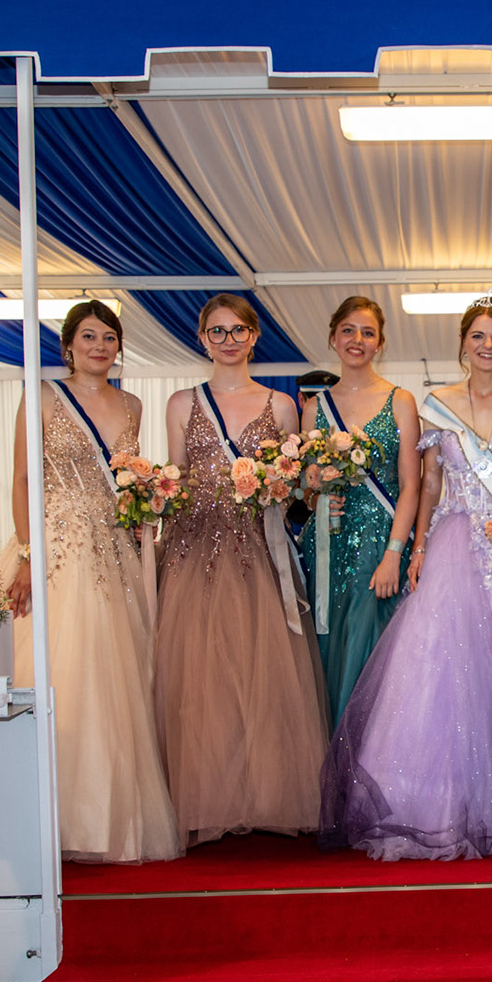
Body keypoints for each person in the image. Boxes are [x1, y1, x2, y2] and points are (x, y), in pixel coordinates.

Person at [320, 298, 492, 860]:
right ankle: (437, 803)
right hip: (453, 546)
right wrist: (418, 548)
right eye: (478, 336)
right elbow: (430, 485)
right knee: (444, 676)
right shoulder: (437, 403)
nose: (488, 346)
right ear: (463, 342)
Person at [2, 302, 180, 864]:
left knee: (115, 679)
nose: (99, 346)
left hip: (116, 549)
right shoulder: (42, 396)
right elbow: (23, 479)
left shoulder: (133, 405)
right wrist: (27, 554)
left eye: (108, 337)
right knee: (62, 672)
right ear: (68, 346)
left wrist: (147, 503)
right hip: (56, 546)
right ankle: (47, 818)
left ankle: (105, 820)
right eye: (88, 336)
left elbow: (126, 481)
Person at [155, 294, 329, 844]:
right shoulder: (181, 403)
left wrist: (298, 485)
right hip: (194, 552)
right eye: (217, 331)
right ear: (202, 338)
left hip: (258, 548)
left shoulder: (281, 404)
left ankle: (264, 795)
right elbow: (175, 478)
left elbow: (295, 488)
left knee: (263, 676)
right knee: (200, 680)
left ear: (254, 337)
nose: (228, 340)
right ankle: (208, 797)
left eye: (238, 330)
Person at [298, 296, 421, 721]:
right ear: (333, 337)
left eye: (368, 333)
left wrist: (393, 554)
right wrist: (316, 494)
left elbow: (411, 485)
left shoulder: (400, 400)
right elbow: (306, 487)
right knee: (330, 647)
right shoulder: (314, 408)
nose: (357, 339)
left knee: (370, 651)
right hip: (327, 546)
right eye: (348, 330)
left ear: (380, 343)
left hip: (380, 545)